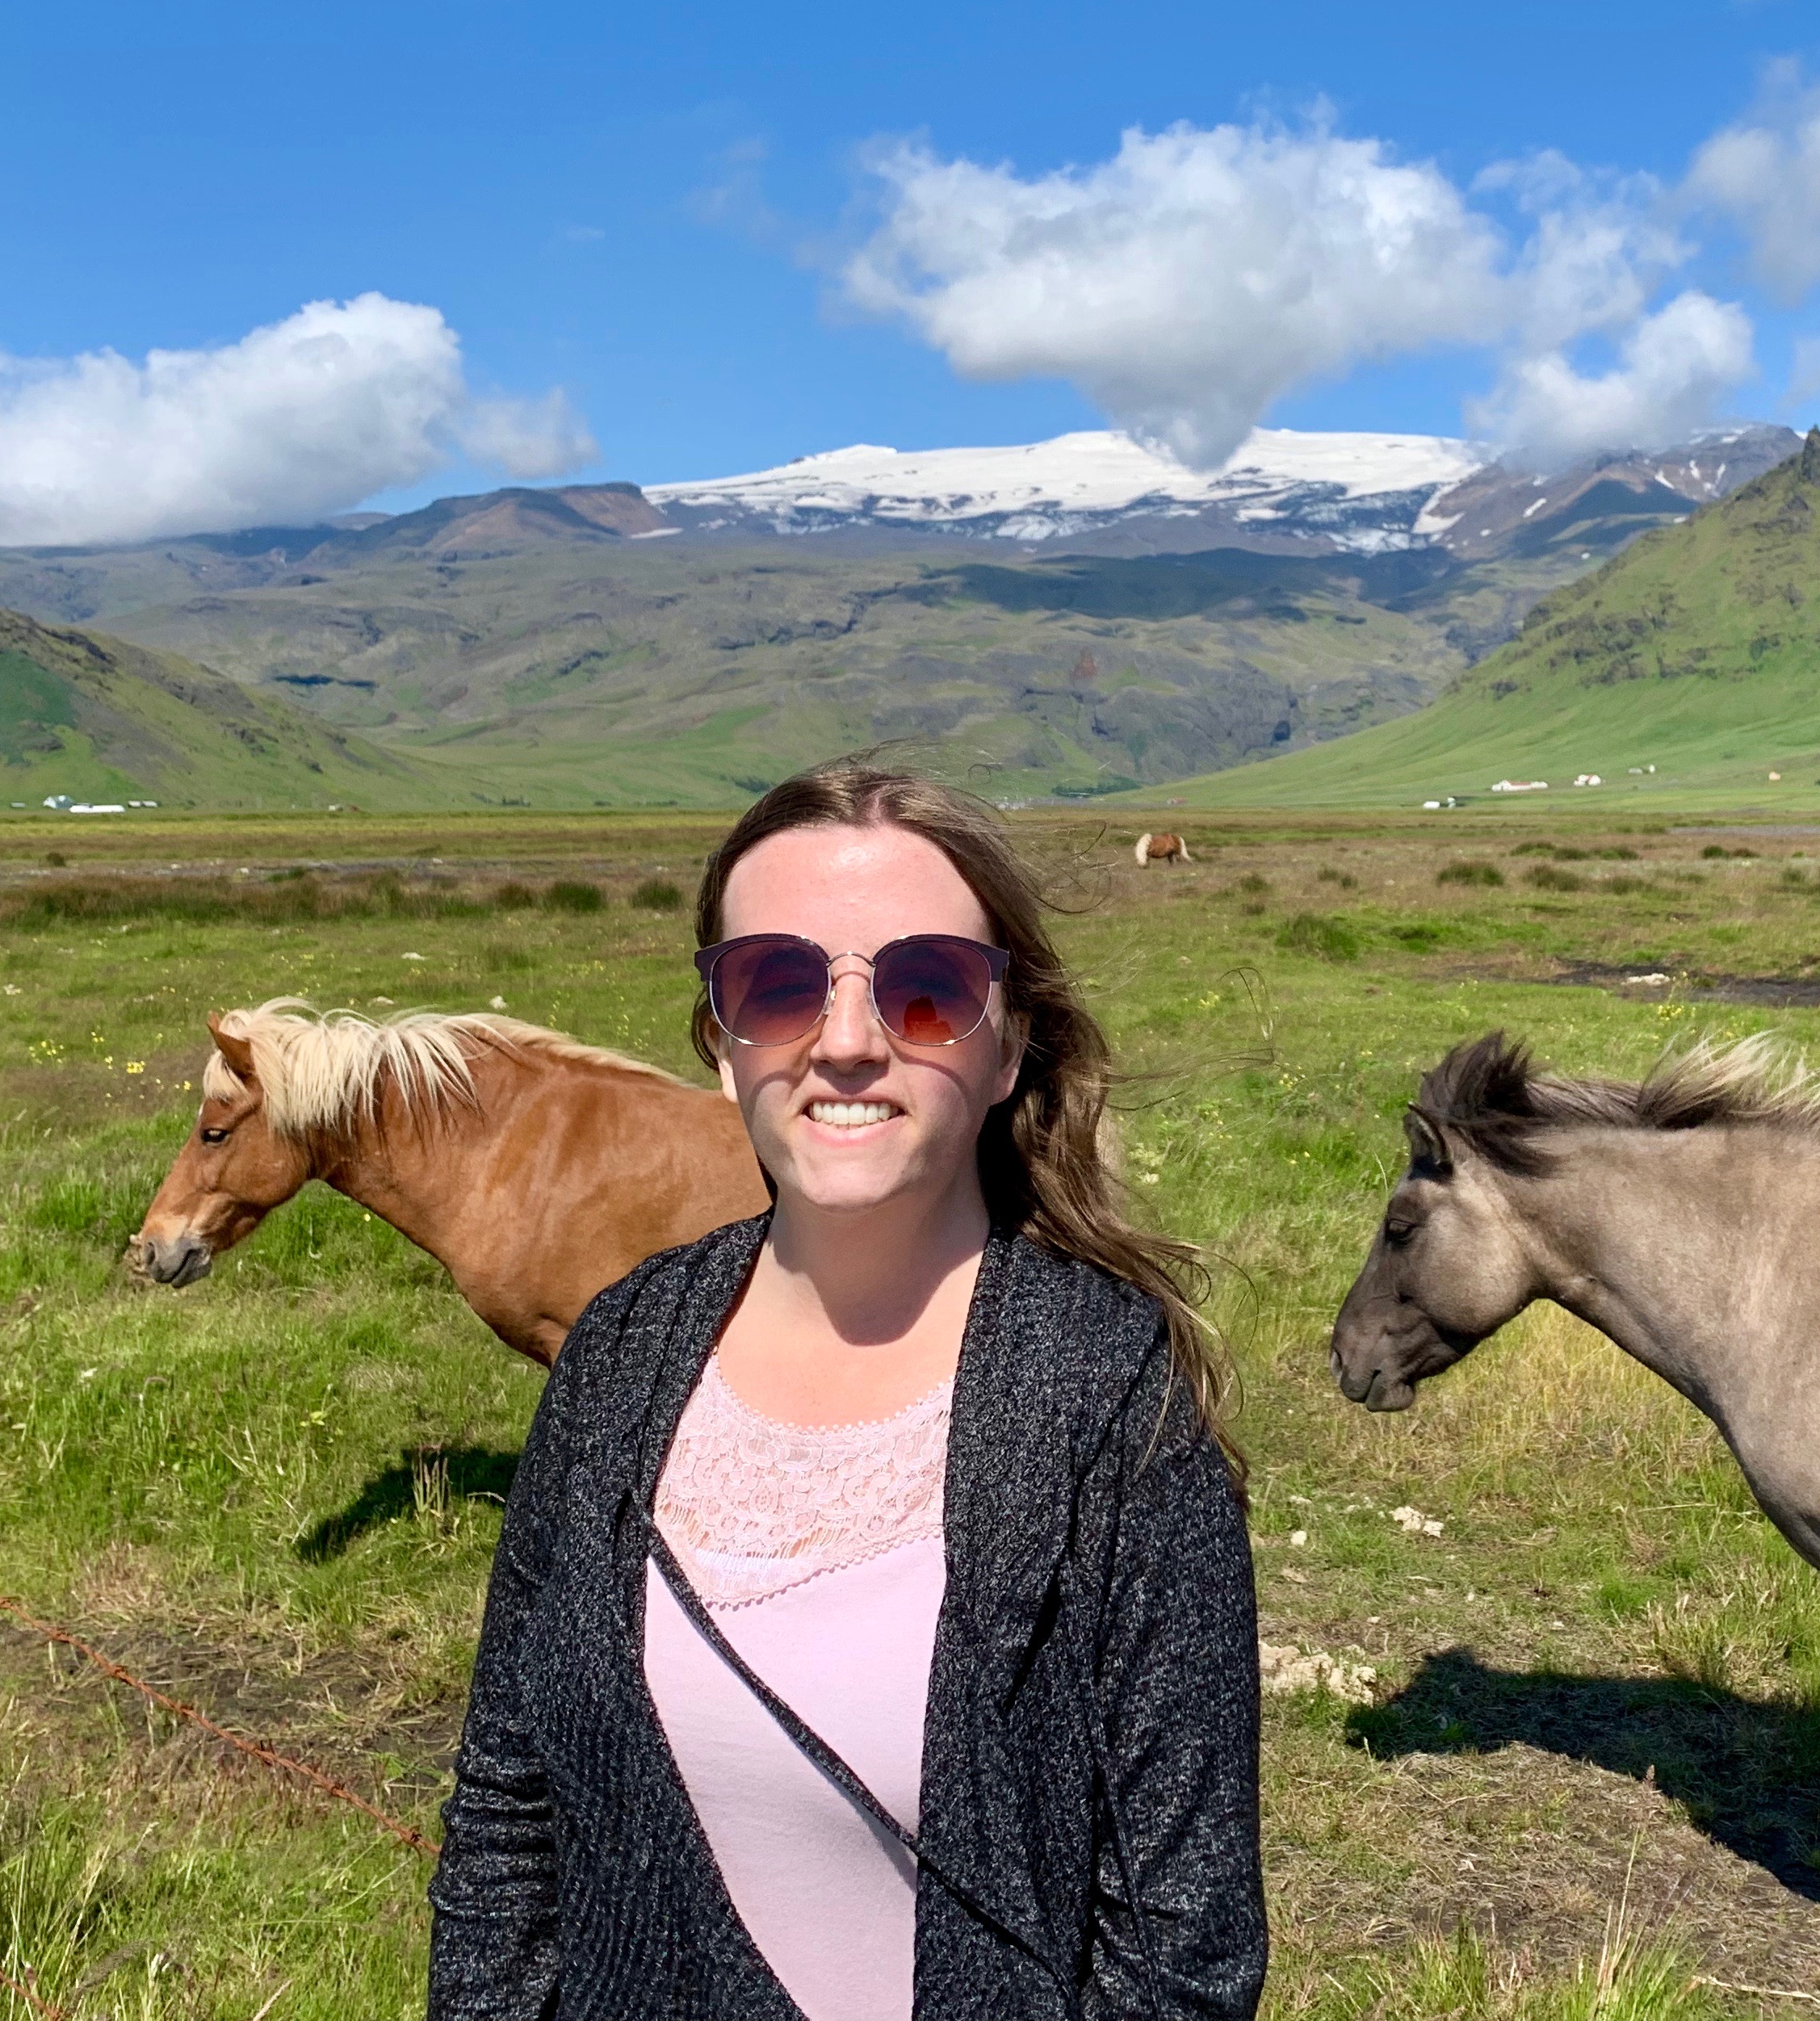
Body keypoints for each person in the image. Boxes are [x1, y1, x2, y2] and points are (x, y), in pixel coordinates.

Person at [428, 761, 1266, 2020]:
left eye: (929, 990)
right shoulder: (621, 1352)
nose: (849, 1042)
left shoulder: (1107, 1399)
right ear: (723, 1047)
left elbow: (1182, 1955)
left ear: (1007, 1048)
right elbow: (508, 1814)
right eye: (778, 984)